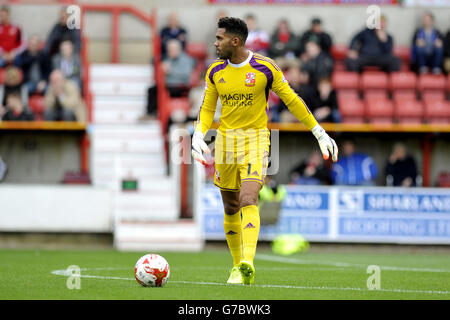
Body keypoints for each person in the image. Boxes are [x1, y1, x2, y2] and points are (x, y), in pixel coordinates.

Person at [191, 17, 338, 285]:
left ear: (235, 41)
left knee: (249, 197)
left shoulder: (265, 68)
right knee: (231, 205)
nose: (215, 43)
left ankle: (248, 261)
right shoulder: (214, 71)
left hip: (256, 141)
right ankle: (238, 268)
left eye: (219, 38)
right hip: (225, 144)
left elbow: (291, 99)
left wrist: (318, 131)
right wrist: (199, 134)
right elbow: (207, 107)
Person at [145, 39, 195, 117]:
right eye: (169, 50)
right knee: (153, 89)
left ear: (178, 49)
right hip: (169, 85)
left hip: (180, 86)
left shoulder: (186, 60)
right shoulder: (169, 59)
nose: (169, 52)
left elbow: (185, 75)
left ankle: (152, 113)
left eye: (171, 50)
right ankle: (152, 112)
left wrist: (170, 71)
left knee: (157, 90)